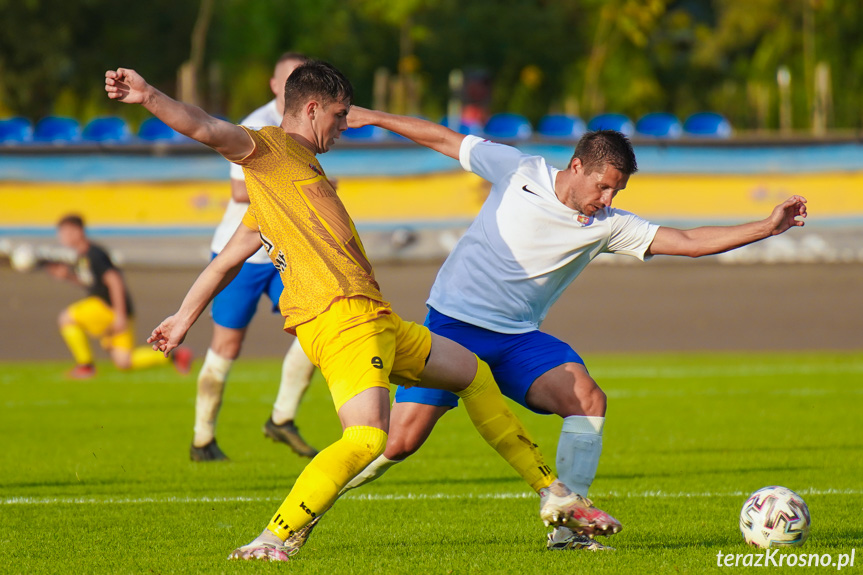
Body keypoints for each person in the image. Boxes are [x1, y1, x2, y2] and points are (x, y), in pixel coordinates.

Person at [104, 60, 621, 563]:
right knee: (368, 437)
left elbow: (223, 266)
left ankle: (554, 494)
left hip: (376, 318)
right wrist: (148, 96)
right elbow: (208, 129)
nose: (343, 127)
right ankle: (273, 537)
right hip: (338, 318)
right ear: (311, 109)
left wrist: (181, 316)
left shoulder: (287, 186)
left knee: (472, 372)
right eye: (339, 116)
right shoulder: (271, 149)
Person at [285, 109, 809, 553]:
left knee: (587, 398)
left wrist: (768, 226)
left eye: (616, 190)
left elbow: (689, 240)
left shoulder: (608, 224)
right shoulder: (519, 169)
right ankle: (302, 516)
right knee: (396, 442)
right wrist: (374, 117)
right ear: (576, 166)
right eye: (603, 186)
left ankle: (570, 528)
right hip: (451, 325)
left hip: (515, 339)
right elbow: (444, 138)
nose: (607, 198)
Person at [191, 52, 318, 463]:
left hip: (284, 249)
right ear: (274, 83)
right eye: (288, 77)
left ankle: (281, 418)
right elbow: (239, 192)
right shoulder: (255, 124)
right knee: (228, 344)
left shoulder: (308, 123)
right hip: (243, 251)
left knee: (314, 328)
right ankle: (202, 438)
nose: (294, 83)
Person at [47, 214, 193, 378]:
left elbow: (115, 281)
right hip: (115, 309)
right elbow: (94, 285)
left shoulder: (94, 254)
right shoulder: (83, 256)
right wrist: (68, 277)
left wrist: (120, 315)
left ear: (77, 231)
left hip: (110, 308)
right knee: (124, 361)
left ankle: (85, 365)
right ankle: (175, 356)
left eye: (64, 232)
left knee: (66, 318)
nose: (61, 237)